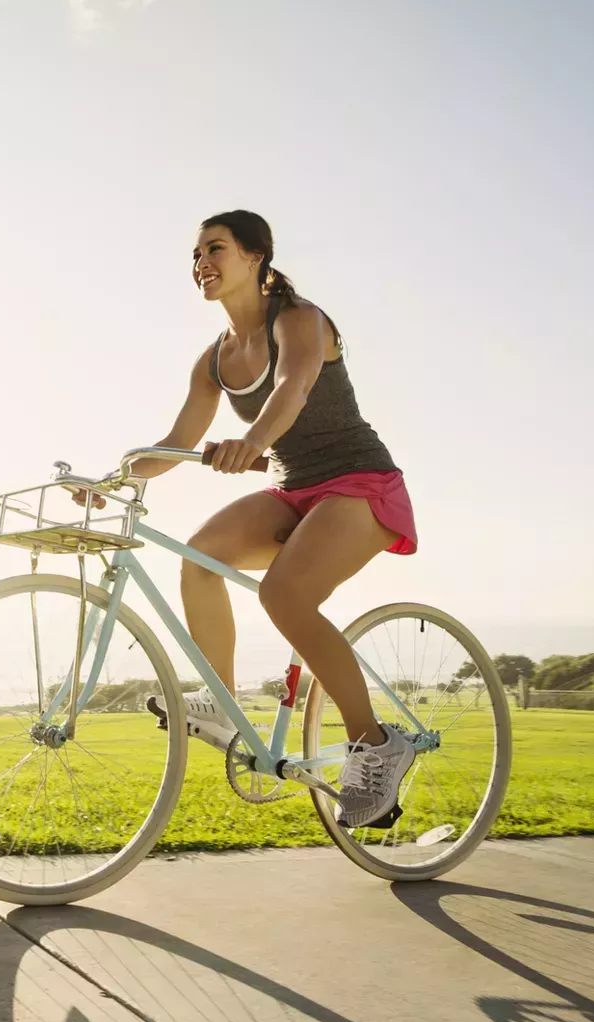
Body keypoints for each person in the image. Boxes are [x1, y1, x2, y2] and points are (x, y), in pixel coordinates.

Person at [119, 210, 419, 828]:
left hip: (360, 483)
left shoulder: (302, 320)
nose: (202, 261)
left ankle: (379, 744)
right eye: (196, 253)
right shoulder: (215, 360)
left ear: (256, 257)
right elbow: (179, 439)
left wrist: (251, 442)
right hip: (296, 490)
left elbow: (294, 386)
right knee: (200, 556)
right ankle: (223, 704)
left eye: (216, 248)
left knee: (285, 596)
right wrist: (115, 480)